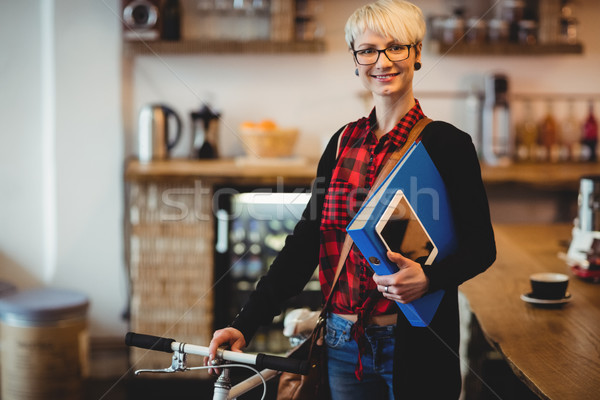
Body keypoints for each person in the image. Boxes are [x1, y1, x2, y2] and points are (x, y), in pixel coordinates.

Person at [205, 1, 496, 399]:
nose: (382, 61)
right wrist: (245, 322)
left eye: (396, 47)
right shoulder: (342, 143)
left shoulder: (448, 145)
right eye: (368, 50)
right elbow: (305, 243)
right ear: (355, 61)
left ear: (418, 53)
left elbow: (482, 247)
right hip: (342, 343)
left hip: (415, 343)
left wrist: (430, 278)